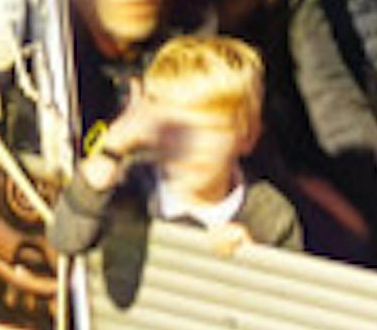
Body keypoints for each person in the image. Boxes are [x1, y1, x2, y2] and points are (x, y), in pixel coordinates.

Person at [131, 36, 308, 252]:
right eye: (175, 129)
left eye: (211, 130)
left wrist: (252, 263)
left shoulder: (269, 216)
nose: (190, 147)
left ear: (248, 137)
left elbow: (285, 282)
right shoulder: (126, 190)